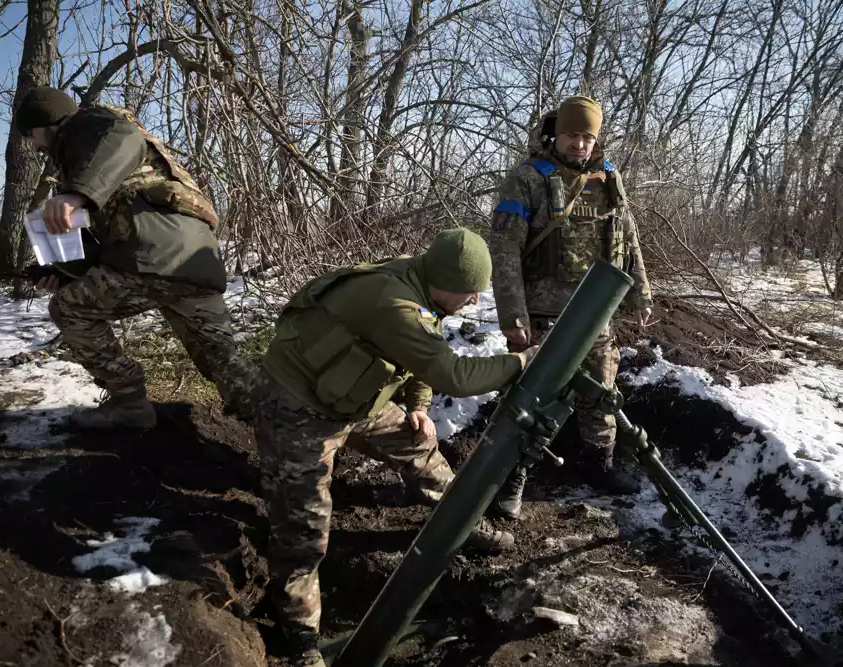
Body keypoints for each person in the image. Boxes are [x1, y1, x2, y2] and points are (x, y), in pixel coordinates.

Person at [255, 228, 538, 666]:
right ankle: (300, 638)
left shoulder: (422, 282)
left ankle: (461, 522)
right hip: (299, 408)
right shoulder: (393, 300)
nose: (473, 302)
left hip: (356, 397)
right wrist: (520, 362)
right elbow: (455, 375)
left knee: (419, 448)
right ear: (445, 280)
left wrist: (419, 406)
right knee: (304, 529)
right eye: (469, 292)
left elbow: (423, 347)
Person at [13, 86, 258, 429]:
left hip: (151, 259)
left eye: (32, 134)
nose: (35, 145)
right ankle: (297, 428)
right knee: (224, 362)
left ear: (46, 123)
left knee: (68, 310)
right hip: (195, 263)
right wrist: (61, 276)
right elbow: (108, 247)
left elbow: (124, 136)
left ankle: (130, 405)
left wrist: (75, 195)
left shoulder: (90, 125)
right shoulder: (91, 158)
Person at [488, 95, 655, 519]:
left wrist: (640, 293)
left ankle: (597, 464)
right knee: (529, 401)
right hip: (543, 317)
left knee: (601, 393)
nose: (579, 144)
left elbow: (627, 237)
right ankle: (508, 480)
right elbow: (505, 251)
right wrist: (513, 315)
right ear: (555, 134)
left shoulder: (609, 178)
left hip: (597, 312)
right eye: (571, 135)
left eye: (587, 136)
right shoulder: (527, 179)